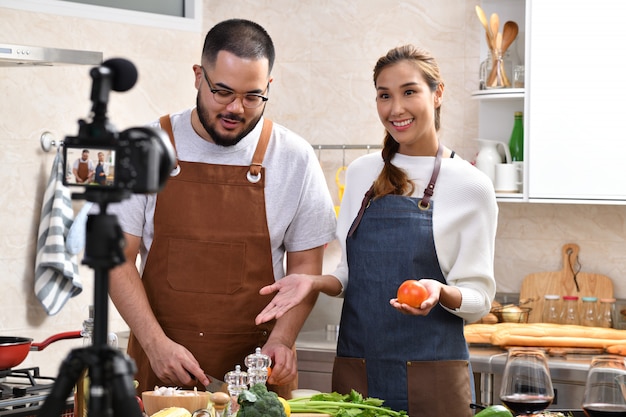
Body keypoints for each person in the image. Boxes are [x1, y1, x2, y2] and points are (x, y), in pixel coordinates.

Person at [255, 44, 498, 416]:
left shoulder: (471, 185)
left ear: (438, 94)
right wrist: (314, 283)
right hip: (358, 373)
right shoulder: (361, 174)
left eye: (409, 92)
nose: (395, 108)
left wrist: (439, 292)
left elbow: (479, 297)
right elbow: (351, 276)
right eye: (384, 95)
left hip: (435, 379)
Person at [107, 18, 336, 395]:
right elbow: (118, 259)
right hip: (160, 371)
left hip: (257, 375)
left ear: (268, 88)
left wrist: (283, 339)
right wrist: (154, 344)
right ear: (198, 76)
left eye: (252, 96)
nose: (236, 108)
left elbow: (306, 270)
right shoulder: (144, 148)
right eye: (222, 92)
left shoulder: (294, 157)